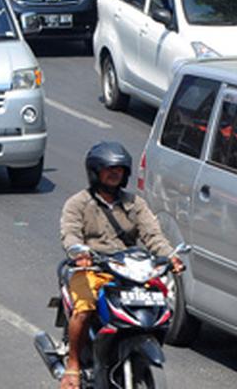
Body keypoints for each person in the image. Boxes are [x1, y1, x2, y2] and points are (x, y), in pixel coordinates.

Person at [59, 142, 183, 388]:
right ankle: (72, 367)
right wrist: (78, 252)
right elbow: (70, 234)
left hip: (130, 270)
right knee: (84, 310)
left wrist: (170, 257)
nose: (114, 173)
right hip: (92, 269)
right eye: (108, 169)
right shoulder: (78, 203)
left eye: (119, 169)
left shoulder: (135, 204)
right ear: (96, 171)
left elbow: (153, 236)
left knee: (160, 301)